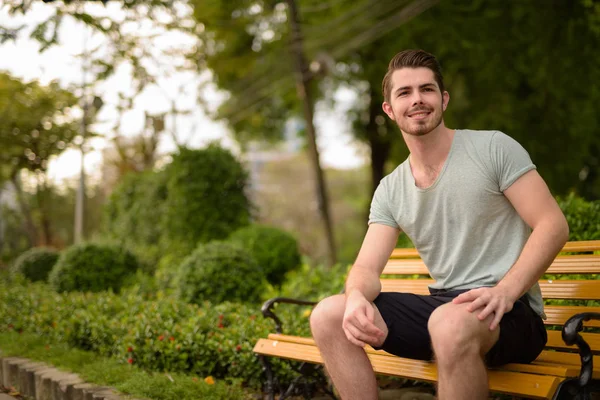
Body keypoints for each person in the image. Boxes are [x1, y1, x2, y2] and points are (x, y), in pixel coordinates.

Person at [309, 49, 569, 400]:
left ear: (443, 99)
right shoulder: (391, 188)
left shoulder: (493, 148)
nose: (417, 100)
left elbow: (553, 225)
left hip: (512, 312)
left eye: (426, 89)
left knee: (448, 322)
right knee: (328, 315)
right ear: (389, 109)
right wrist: (355, 296)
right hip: (447, 307)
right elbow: (366, 267)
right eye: (404, 92)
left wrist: (505, 292)